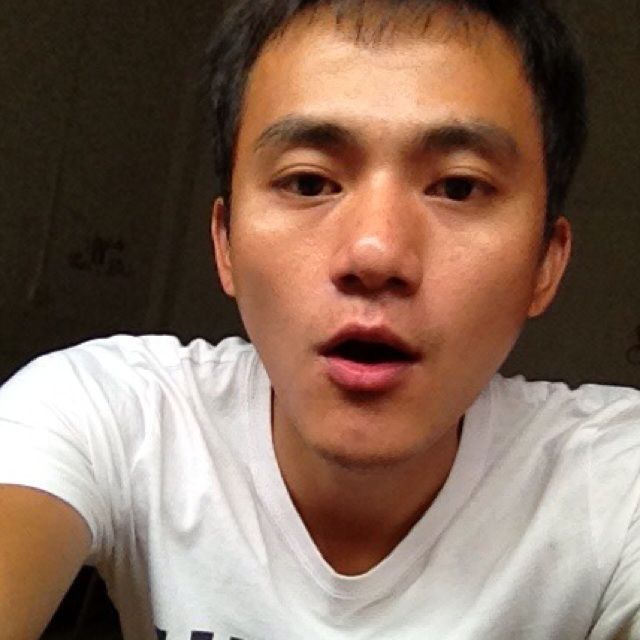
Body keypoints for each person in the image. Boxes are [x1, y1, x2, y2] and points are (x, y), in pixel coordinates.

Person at [1, 0, 638, 638]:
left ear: (545, 263)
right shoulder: (114, 416)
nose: (375, 254)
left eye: (458, 187)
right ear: (226, 245)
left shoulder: (611, 481)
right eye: (309, 183)